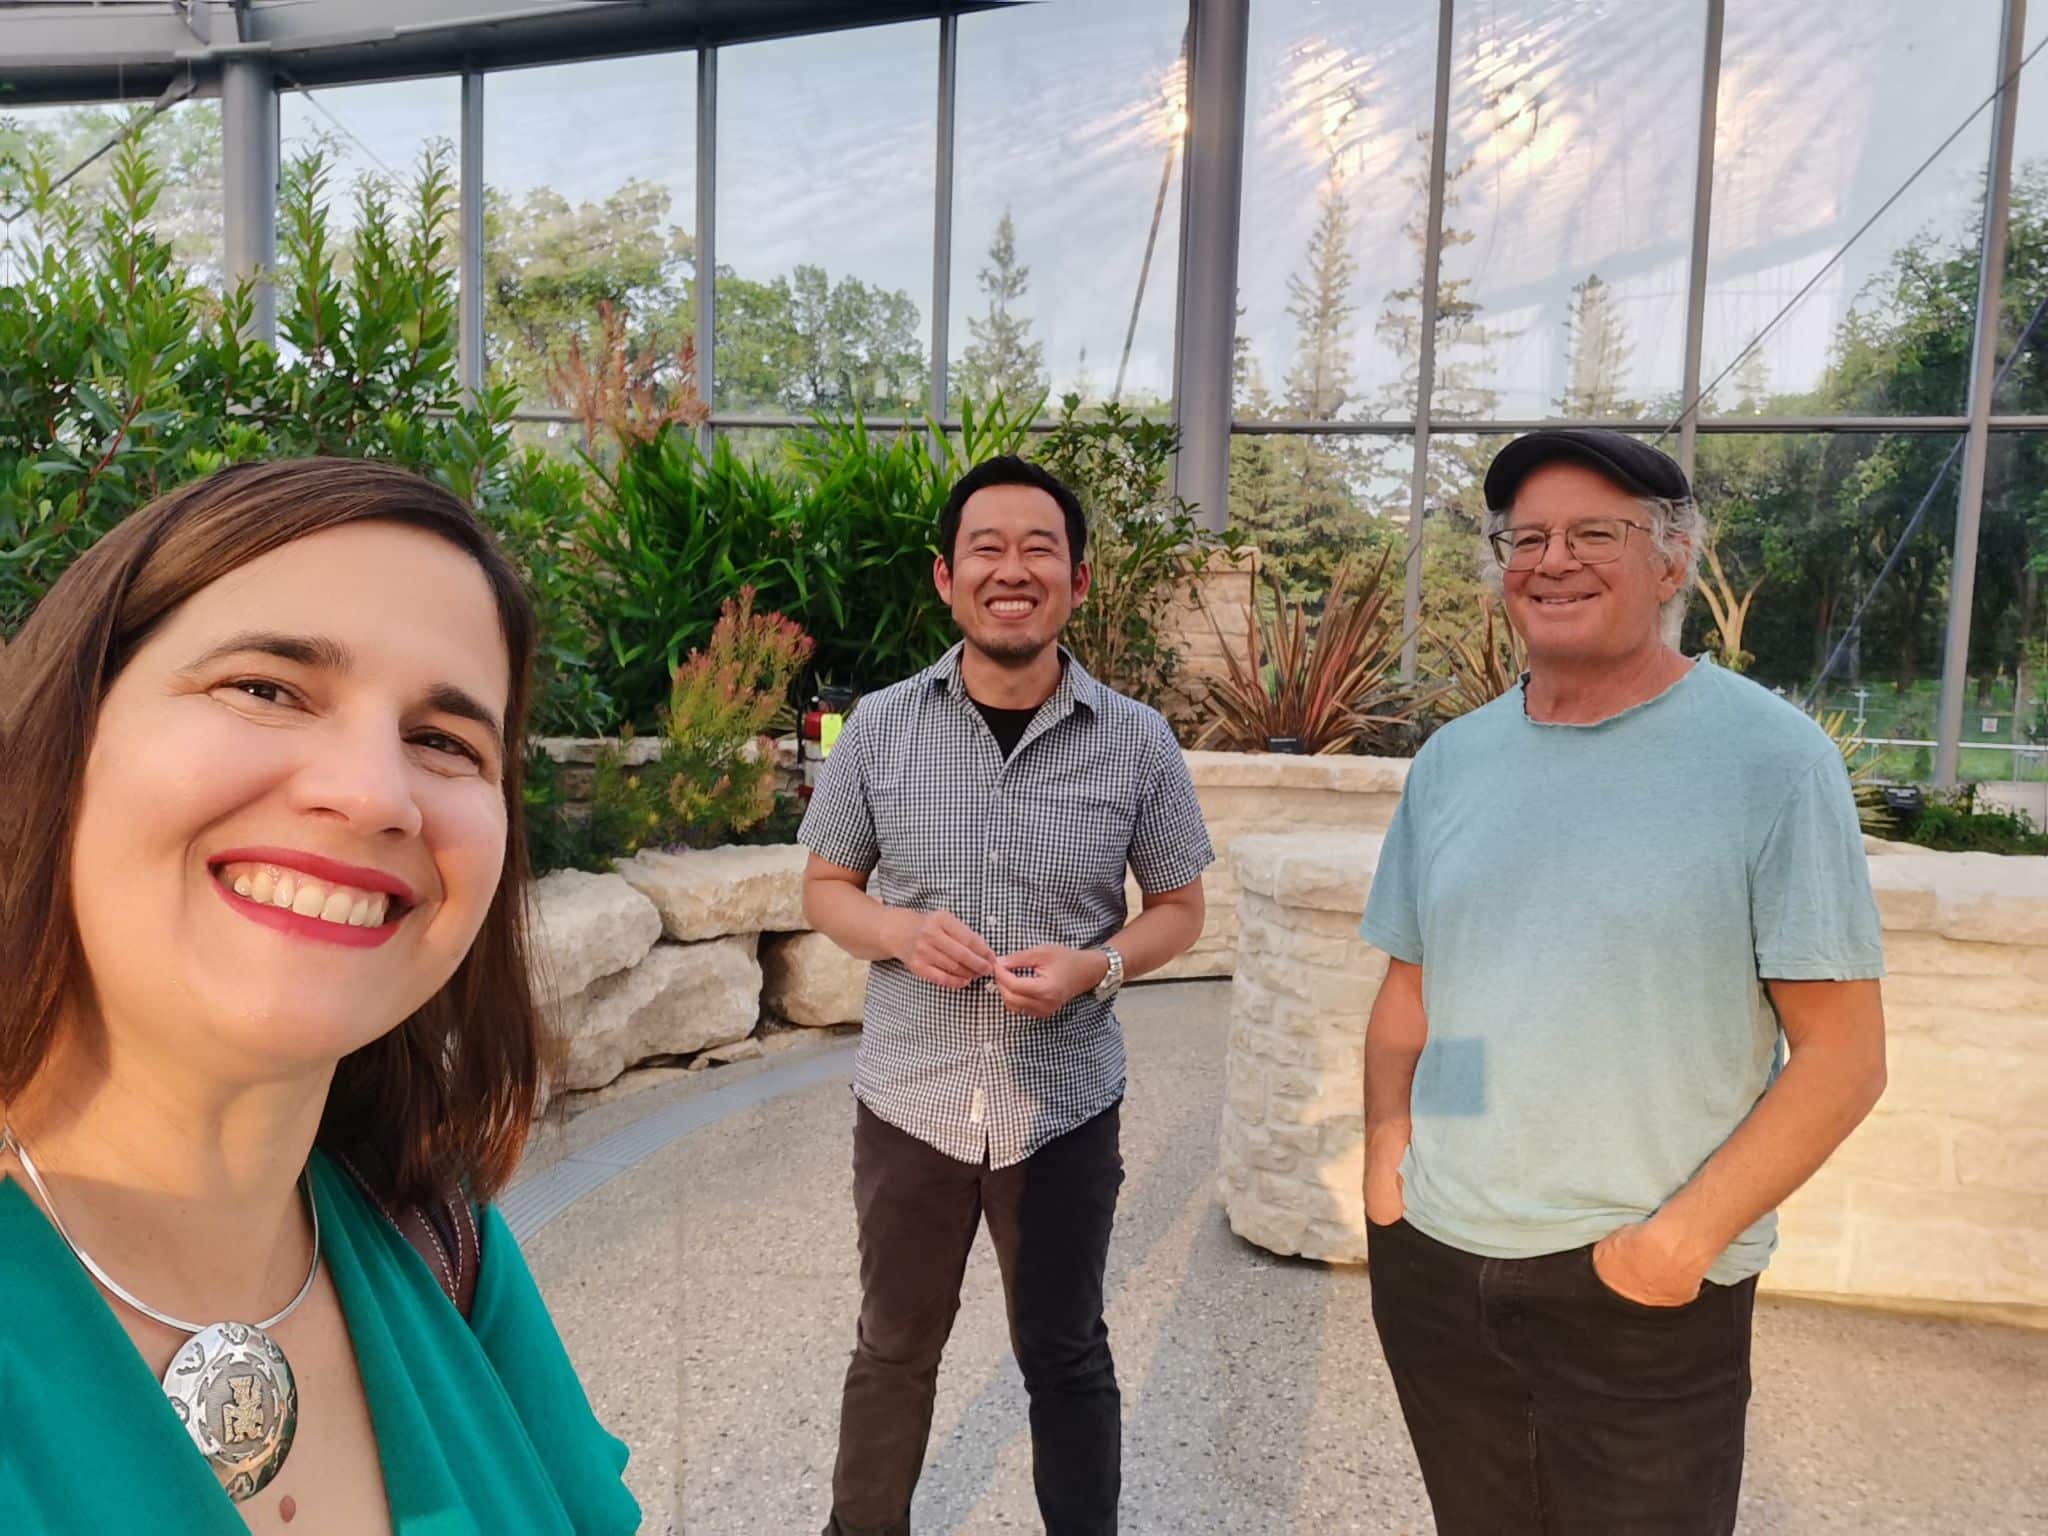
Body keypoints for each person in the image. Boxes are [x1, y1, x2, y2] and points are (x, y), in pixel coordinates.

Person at [0, 459, 640, 1534]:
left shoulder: (447, 1255)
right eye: (266, 687)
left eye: (444, 741)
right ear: (67, 734)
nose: (373, 794)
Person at [1359, 428, 1888, 1535]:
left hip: (1639, 1284)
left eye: (1594, 533)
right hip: (1440, 1265)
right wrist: (1394, 1168)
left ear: (1670, 561)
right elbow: (1427, 992)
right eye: (1527, 537)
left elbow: (1840, 1056)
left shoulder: (1769, 761)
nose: (1552, 560)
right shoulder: (1455, 762)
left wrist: (1675, 1245)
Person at [799, 455, 1213, 1536]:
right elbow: (825, 886)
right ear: (945, 577)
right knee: (892, 1350)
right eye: (987, 548)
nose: (1011, 569)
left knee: (1066, 1355)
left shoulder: (1136, 740)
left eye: (1040, 550)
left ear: (1076, 581)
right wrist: (891, 929)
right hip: (911, 1104)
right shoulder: (879, 729)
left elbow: (1177, 907)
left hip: (1062, 1107)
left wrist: (1099, 967)